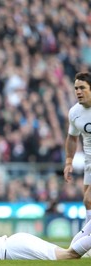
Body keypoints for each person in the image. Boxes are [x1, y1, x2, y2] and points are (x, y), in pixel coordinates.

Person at [64, 72, 91, 226]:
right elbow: (72, 138)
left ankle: (87, 243)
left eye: (82, 88)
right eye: (76, 88)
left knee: (88, 198)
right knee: (88, 204)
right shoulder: (75, 113)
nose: (78, 92)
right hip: (89, 161)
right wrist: (69, 162)